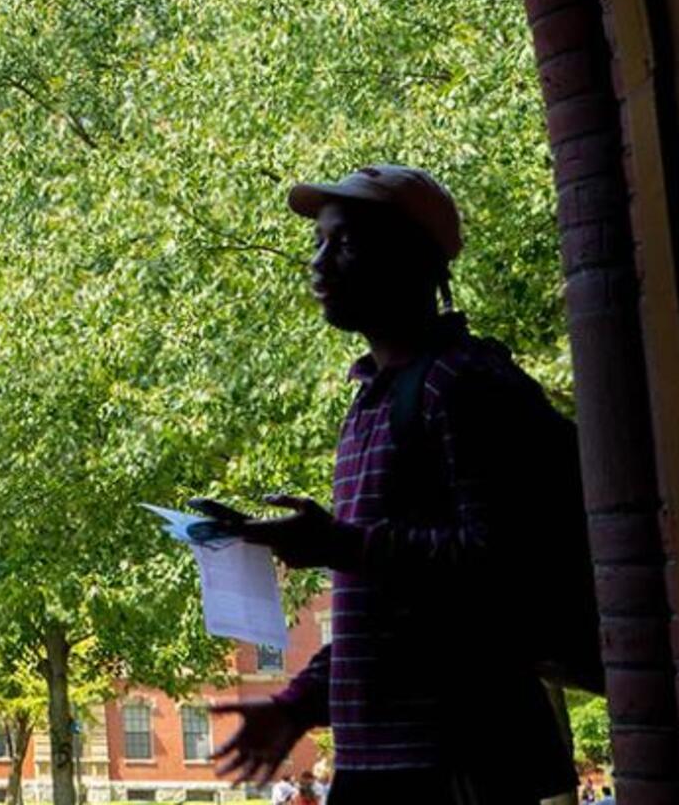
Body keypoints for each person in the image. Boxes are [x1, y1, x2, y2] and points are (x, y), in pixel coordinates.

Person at [201, 165, 578, 804]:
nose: (318, 263)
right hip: (379, 763)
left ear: (413, 260)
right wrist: (295, 705)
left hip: (460, 760)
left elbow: (501, 559)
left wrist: (339, 545)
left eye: (343, 243)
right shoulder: (372, 402)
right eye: (317, 244)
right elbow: (389, 613)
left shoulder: (464, 387)